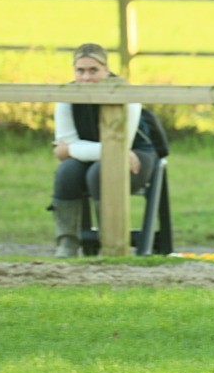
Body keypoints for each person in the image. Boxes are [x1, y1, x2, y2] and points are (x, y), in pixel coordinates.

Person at [49, 43, 156, 257]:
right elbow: (65, 148)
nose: (86, 77)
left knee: (99, 172)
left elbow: (70, 148)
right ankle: (67, 243)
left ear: (106, 70)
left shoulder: (126, 94)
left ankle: (110, 243)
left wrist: (72, 149)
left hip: (137, 157)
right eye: (80, 71)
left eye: (93, 71)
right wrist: (74, 149)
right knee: (66, 171)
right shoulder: (66, 95)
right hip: (109, 155)